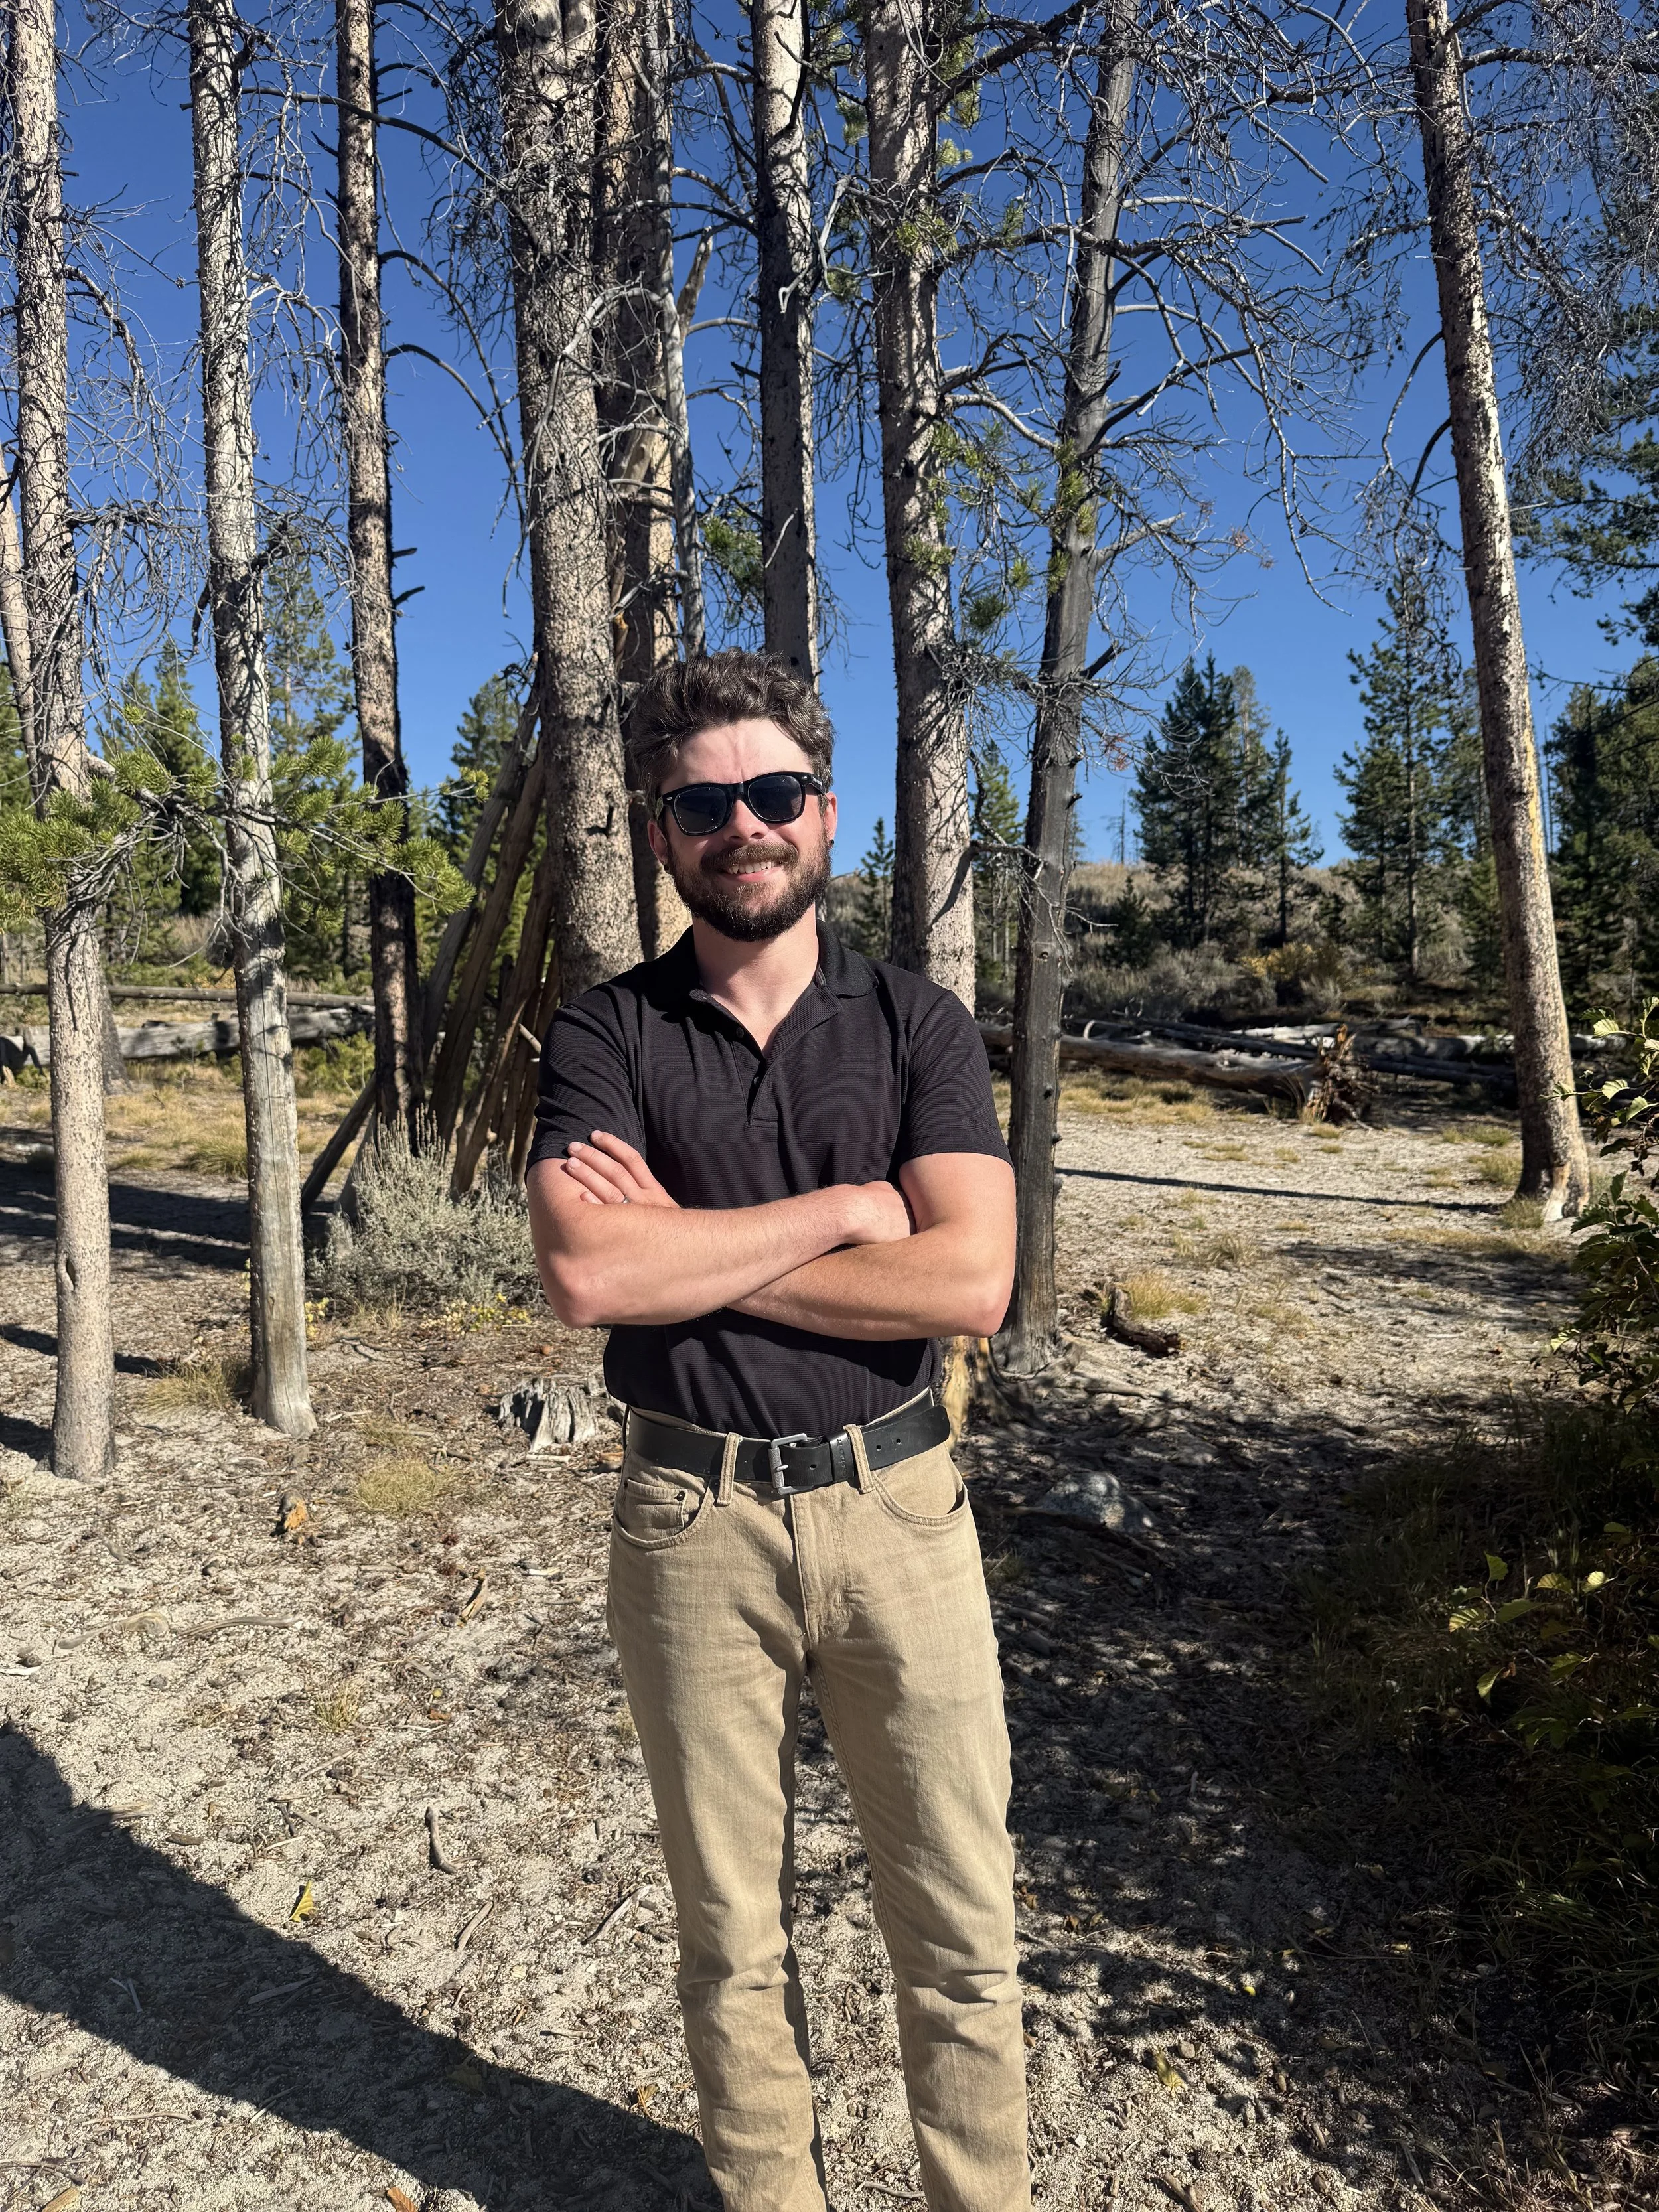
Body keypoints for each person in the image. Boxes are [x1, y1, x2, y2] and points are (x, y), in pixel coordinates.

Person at [526, 650, 1026, 2212]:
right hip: (687, 1521)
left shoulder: (915, 1024)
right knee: (728, 1927)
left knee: (957, 1920)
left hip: (901, 1509)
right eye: (703, 802)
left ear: (826, 814)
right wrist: (838, 1214)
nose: (742, 823)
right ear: (663, 834)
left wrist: (707, 1241)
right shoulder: (606, 1031)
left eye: (772, 793)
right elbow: (591, 1270)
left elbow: (970, 1281)